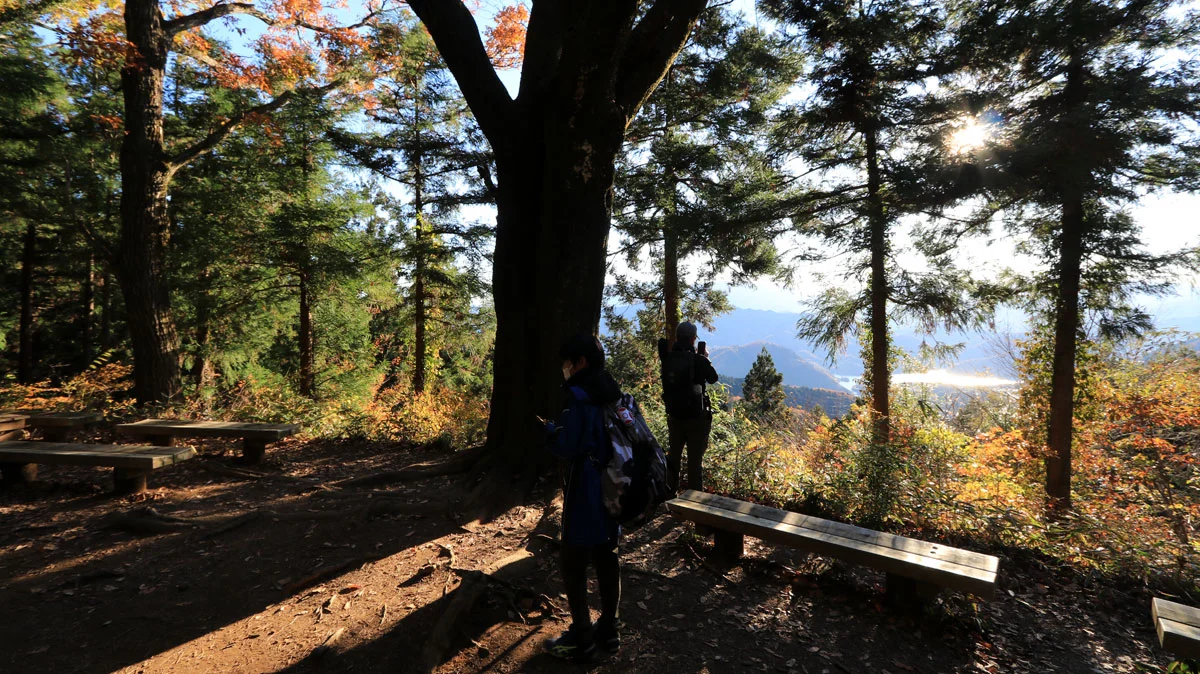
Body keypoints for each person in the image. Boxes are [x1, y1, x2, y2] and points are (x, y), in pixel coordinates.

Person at [542, 333, 623, 662]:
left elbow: (568, 446)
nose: (564, 367)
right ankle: (610, 629)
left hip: (586, 490)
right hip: (614, 488)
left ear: (581, 363)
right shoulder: (613, 391)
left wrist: (550, 431)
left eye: (567, 361)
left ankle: (581, 639)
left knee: (573, 561)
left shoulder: (579, 398)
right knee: (607, 556)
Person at [658, 321, 719, 493]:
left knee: (673, 458)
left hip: (675, 416)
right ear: (693, 339)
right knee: (694, 462)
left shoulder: (667, 357)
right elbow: (713, 378)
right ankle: (695, 504)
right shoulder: (698, 360)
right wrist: (705, 358)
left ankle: (669, 497)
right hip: (696, 417)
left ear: (677, 337)